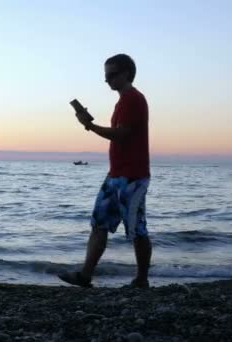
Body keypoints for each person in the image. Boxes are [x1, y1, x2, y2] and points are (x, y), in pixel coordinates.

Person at [59, 54, 152, 289]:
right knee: (99, 224)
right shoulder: (123, 101)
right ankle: (85, 276)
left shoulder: (133, 99)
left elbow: (122, 135)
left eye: (111, 75)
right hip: (116, 175)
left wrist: (89, 125)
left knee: (137, 229)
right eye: (105, 75)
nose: (107, 80)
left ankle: (141, 279)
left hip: (132, 176)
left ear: (126, 73)